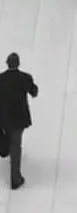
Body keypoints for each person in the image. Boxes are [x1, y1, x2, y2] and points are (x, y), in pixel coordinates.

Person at [0, 53, 38, 190]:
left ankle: (4, 149)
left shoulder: (1, 79)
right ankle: (15, 179)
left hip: (3, 118)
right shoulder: (24, 78)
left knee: (7, 140)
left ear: (7, 63)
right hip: (19, 119)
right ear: (18, 63)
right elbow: (34, 92)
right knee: (16, 146)